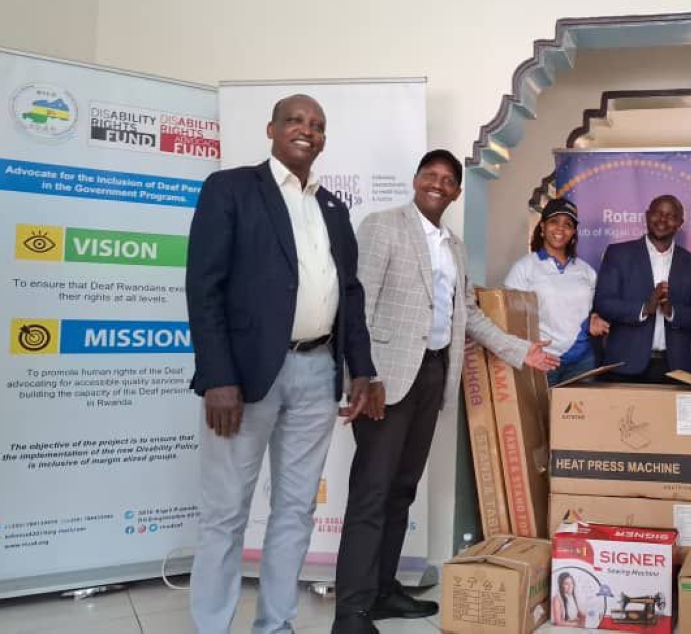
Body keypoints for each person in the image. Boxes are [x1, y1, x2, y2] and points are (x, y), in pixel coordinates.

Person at [331, 150, 560, 634]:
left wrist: (522, 351)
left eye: (447, 180)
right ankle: (350, 612)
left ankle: (383, 590)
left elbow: (469, 315)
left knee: (402, 490)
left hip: (432, 375)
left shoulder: (454, 247)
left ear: (456, 192)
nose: (437, 184)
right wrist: (362, 375)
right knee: (371, 493)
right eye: (430, 175)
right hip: (384, 380)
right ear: (416, 180)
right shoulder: (382, 225)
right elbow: (358, 304)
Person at [185, 94, 376, 634]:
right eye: (295, 120)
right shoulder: (231, 189)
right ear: (271, 129)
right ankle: (212, 627)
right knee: (226, 514)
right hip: (244, 378)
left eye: (317, 124)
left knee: (295, 511)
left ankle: (276, 625)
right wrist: (218, 376)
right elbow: (204, 287)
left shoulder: (333, 208)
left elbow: (351, 294)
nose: (306, 130)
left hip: (318, 374)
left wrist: (360, 370)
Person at [593, 194, 691, 382]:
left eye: (670, 216)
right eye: (657, 213)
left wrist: (671, 311)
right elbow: (603, 303)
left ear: (680, 222)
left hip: (675, 369)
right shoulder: (618, 254)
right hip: (624, 366)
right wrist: (645, 307)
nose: (663, 219)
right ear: (647, 216)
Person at [504, 197, 609, 385]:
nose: (560, 228)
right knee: (541, 415)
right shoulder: (524, 268)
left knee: (582, 414)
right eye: (554, 221)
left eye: (568, 224)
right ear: (542, 227)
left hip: (583, 360)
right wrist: (526, 350)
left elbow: (594, 308)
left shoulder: (586, 271)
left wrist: (595, 317)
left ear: (574, 232)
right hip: (542, 359)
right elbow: (510, 316)